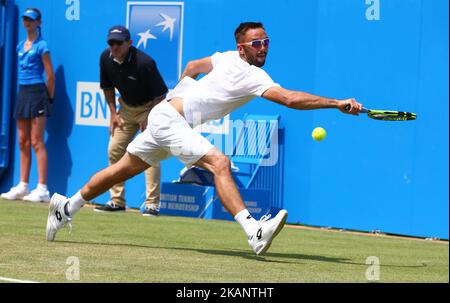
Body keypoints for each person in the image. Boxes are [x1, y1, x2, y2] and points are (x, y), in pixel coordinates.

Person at [46, 22, 362, 255]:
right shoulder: (250, 74)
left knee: (120, 170)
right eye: (256, 43)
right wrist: (336, 103)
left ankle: (66, 207)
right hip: (169, 120)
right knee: (219, 162)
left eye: (266, 41)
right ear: (242, 48)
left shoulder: (226, 57)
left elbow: (192, 67)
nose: (263, 47)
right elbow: (291, 99)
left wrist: (178, 98)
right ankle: (254, 231)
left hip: (165, 117)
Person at [93, 25, 168, 216]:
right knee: (114, 149)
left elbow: (161, 95)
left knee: (151, 154)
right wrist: (113, 113)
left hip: (150, 108)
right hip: (125, 109)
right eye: (111, 42)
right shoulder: (105, 58)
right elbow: (107, 87)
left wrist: (149, 116)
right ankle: (117, 201)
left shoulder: (145, 63)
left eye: (119, 43)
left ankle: (152, 204)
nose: (114, 47)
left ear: (129, 43)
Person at [1, 8, 55, 202]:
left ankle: (42, 188)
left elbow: (50, 75)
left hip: (38, 93)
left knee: (36, 140)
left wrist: (49, 98)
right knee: (22, 140)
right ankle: (23, 185)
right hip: (23, 93)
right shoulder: (18, 46)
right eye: (25, 20)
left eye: (31, 20)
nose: (27, 23)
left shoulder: (43, 46)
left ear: (38, 22)